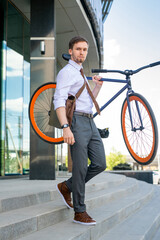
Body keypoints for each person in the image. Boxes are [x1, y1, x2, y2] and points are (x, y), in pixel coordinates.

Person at [54, 36, 106, 225]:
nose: (82, 53)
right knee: (81, 167)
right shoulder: (67, 72)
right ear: (70, 51)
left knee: (100, 163)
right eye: (78, 49)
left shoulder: (81, 73)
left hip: (90, 121)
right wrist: (66, 127)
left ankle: (66, 186)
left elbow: (87, 101)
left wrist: (97, 87)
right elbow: (58, 100)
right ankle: (79, 212)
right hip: (76, 122)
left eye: (84, 49)